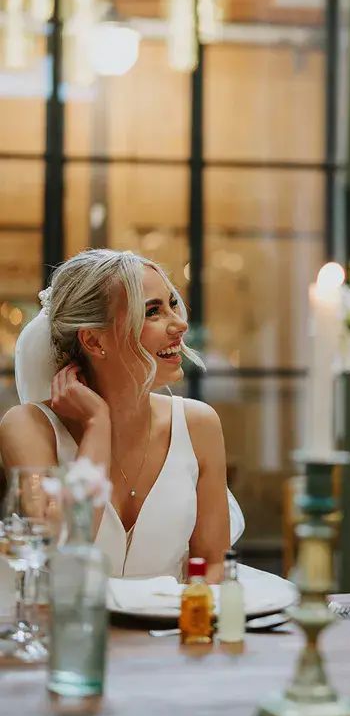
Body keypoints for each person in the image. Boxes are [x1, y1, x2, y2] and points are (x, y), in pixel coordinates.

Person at [0, 249, 244, 581]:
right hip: (72, 630)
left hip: (172, 630)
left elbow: (213, 565)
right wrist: (97, 424)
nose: (180, 324)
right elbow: (62, 546)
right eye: (153, 311)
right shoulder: (27, 427)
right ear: (93, 340)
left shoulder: (199, 425)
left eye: (173, 304)